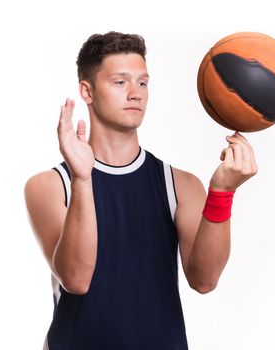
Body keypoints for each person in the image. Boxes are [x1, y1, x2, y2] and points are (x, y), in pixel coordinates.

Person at [24, 31, 258, 350]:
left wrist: (222, 191)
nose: (135, 93)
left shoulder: (180, 184)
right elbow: (76, 280)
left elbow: (204, 281)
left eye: (143, 82)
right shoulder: (50, 185)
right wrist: (82, 178)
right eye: (120, 82)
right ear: (87, 91)